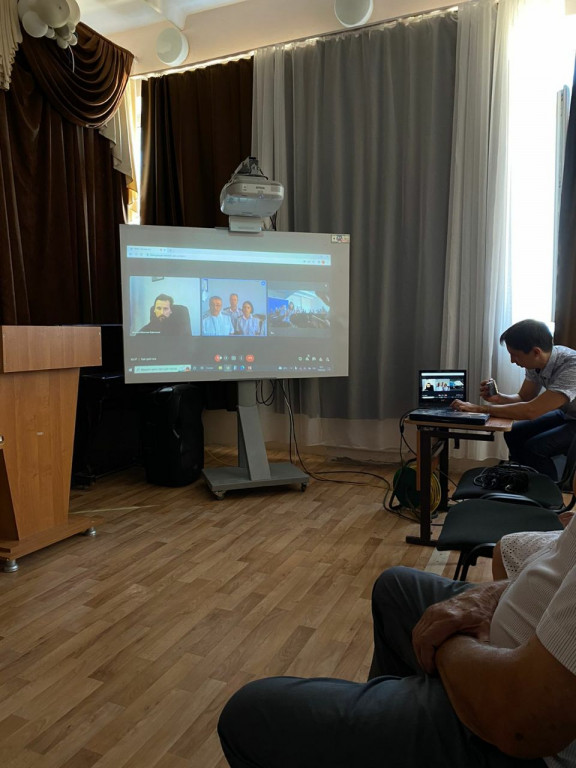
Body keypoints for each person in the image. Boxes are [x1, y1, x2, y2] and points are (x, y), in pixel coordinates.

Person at [218, 522, 576, 768]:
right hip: (516, 641)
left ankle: (402, 723)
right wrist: (489, 595)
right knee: (394, 587)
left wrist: (448, 641)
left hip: (512, 730)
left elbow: (522, 722)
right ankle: (386, 729)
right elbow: (558, 558)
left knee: (249, 716)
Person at [452, 319, 576, 479]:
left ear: (536, 352)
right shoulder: (537, 363)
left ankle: (549, 491)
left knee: (535, 448)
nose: (512, 360)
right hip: (568, 414)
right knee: (514, 432)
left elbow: (531, 411)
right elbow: (524, 397)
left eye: (515, 355)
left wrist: (479, 409)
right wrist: (499, 398)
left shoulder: (571, 367)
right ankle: (522, 479)